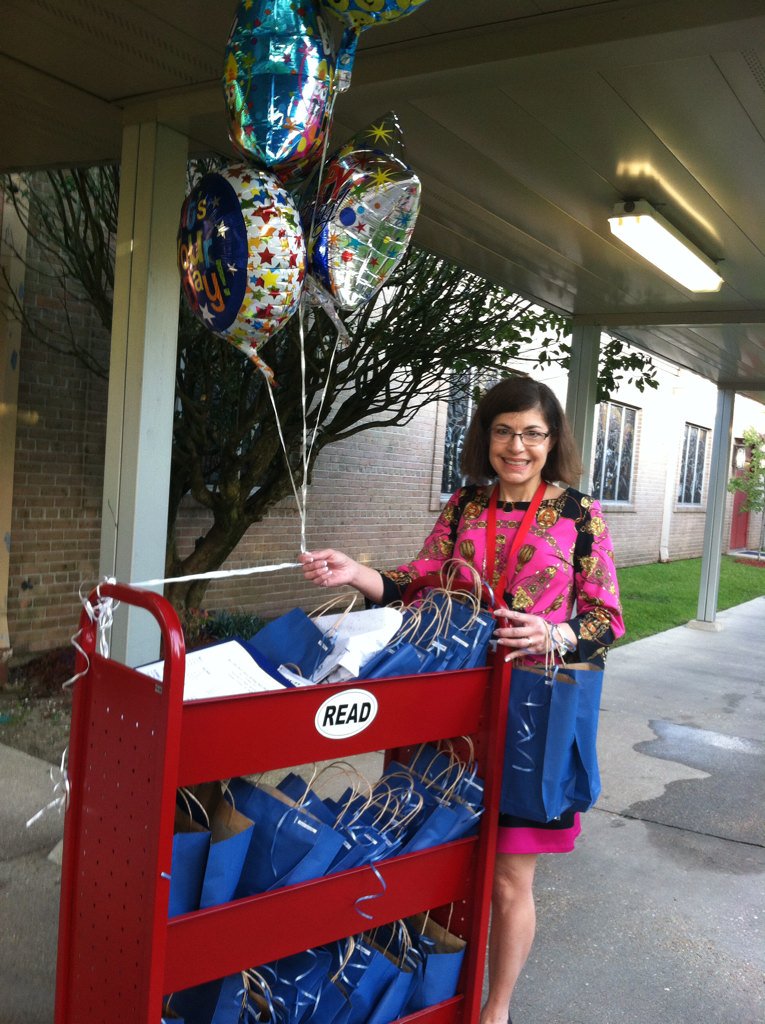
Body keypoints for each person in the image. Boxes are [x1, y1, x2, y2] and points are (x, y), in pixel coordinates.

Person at [300, 376, 625, 1024]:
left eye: (532, 432)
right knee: (430, 860)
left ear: (552, 439)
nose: (517, 446)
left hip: (531, 713)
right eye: (504, 430)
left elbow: (607, 618)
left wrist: (554, 631)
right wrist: (356, 573)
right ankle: (420, 994)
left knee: (508, 880)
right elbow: (418, 583)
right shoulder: (464, 507)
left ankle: (492, 1010)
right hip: (449, 708)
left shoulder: (580, 516)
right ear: (486, 436)